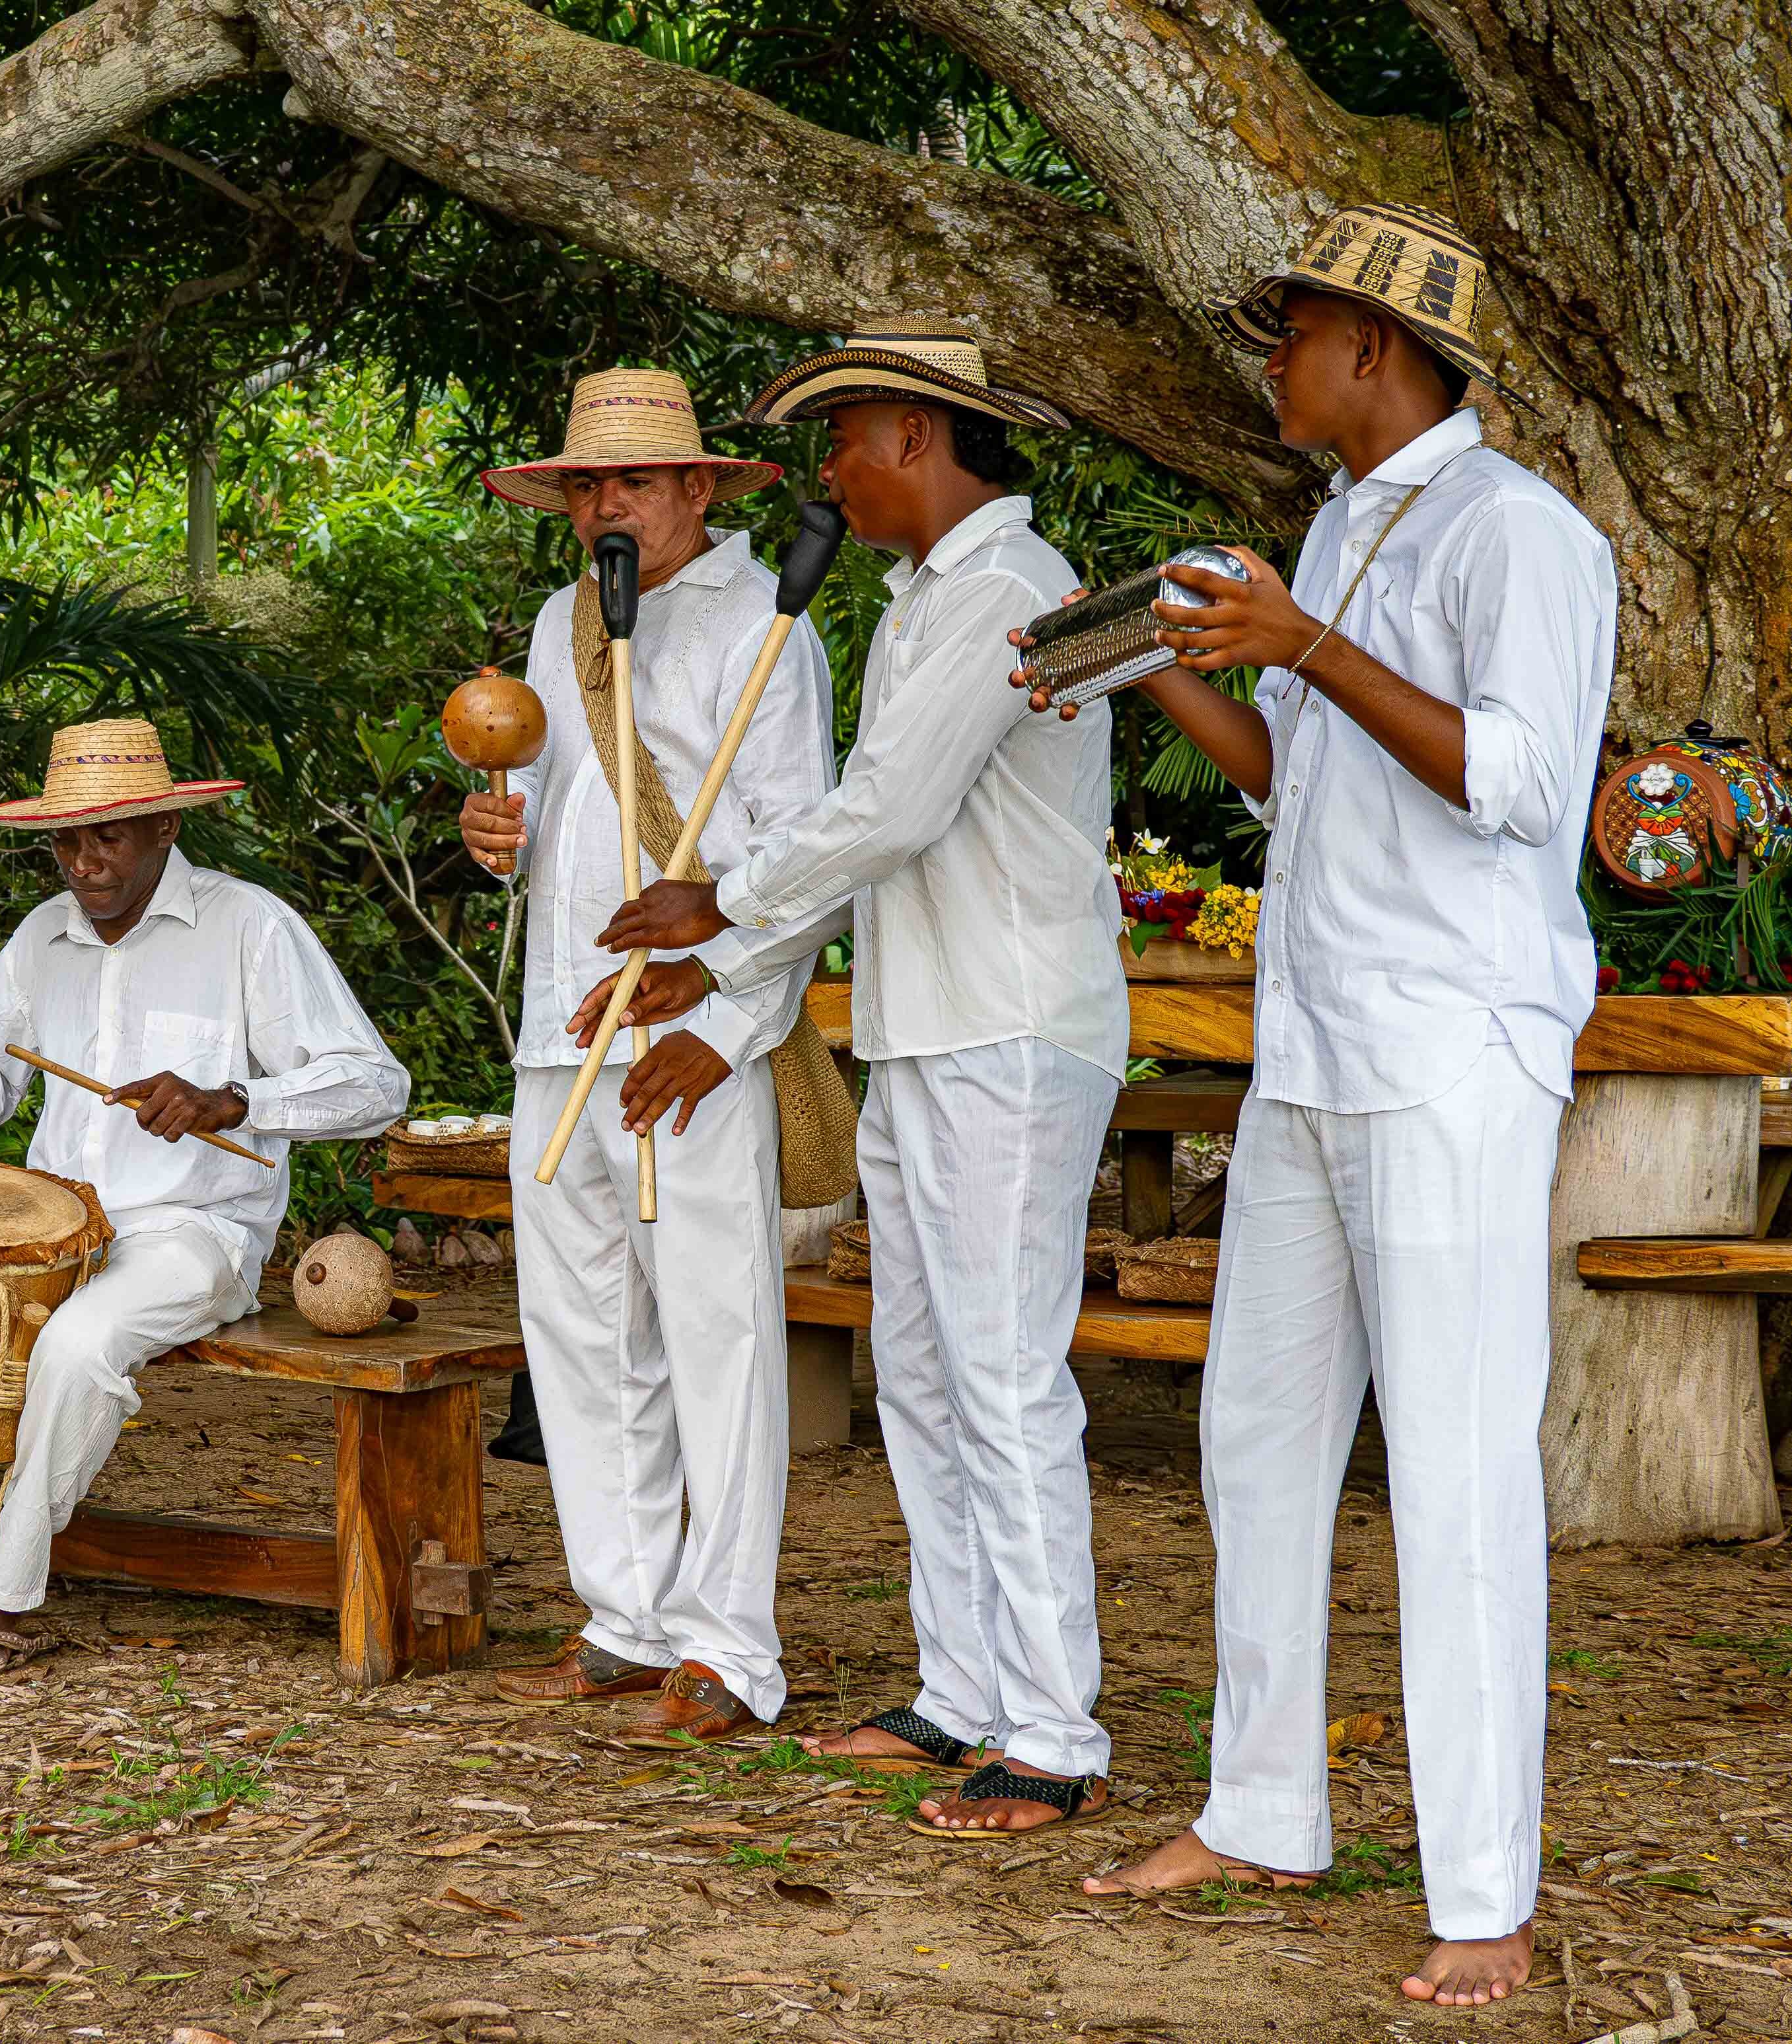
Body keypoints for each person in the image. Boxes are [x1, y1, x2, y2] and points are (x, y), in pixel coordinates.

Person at [1040, 205, 1614, 2008]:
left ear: (1373, 344)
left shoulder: (1520, 532)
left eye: (1286, 334)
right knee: (1254, 1438)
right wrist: (1150, 663)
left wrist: (1299, 643)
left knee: (1452, 1468)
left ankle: (1482, 1893)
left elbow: (1517, 782)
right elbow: (1297, 773)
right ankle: (1263, 1809)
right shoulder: (1334, 528)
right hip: (1306, 1049)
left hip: (1448, 1049)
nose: (1268, 364)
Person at [597, 323, 1128, 1827]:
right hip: (927, 1028)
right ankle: (961, 1694)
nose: (828, 473)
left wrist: (719, 902)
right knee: (926, 1373)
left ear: (910, 433)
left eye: (840, 440)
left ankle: (1051, 1732)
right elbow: (871, 831)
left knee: (1001, 1378)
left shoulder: (1007, 590)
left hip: (1006, 1030)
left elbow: (888, 807)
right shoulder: (927, 600)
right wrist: (730, 955)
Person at [0, 718, 410, 1678]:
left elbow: (377, 1084)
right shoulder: (43, 935)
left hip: (193, 1230)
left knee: (77, 1342)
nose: (83, 861)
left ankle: (4, 1592)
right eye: (67, 840)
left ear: (166, 826)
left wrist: (235, 1099)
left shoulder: (248, 925)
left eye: (108, 836)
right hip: (48, 1225)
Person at [454, 368, 836, 1745]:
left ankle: (729, 1647)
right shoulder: (562, 624)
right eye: (583, 486)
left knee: (716, 1340)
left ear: (694, 488)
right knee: (579, 1335)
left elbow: (806, 857)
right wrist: (493, 838)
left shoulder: (767, 624)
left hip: (685, 1037)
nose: (601, 506)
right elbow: (550, 828)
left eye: (628, 480)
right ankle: (625, 1620)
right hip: (559, 1032)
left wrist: (723, 1028)